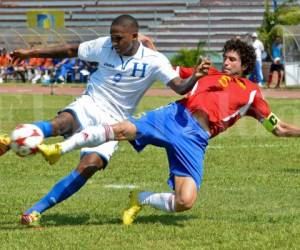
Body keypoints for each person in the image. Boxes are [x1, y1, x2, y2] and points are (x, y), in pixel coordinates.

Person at [38, 39, 300, 225]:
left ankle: (139, 199)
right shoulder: (206, 74)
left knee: (185, 201)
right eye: (226, 57)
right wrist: (147, 47)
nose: (227, 62)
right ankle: (60, 148)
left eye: (233, 59)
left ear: (245, 66)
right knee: (122, 129)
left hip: (195, 140)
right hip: (174, 117)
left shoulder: (252, 92)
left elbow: (278, 128)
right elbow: (164, 68)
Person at [0, 14, 204, 226]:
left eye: (119, 39)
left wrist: (195, 77)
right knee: (61, 123)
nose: (113, 43)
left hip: (115, 121)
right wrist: (30, 53)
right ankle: (11, 140)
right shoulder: (104, 45)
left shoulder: (154, 60)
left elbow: (179, 86)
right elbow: (71, 50)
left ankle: (34, 212)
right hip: (91, 103)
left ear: (134, 36)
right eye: (112, 38)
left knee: (90, 165)